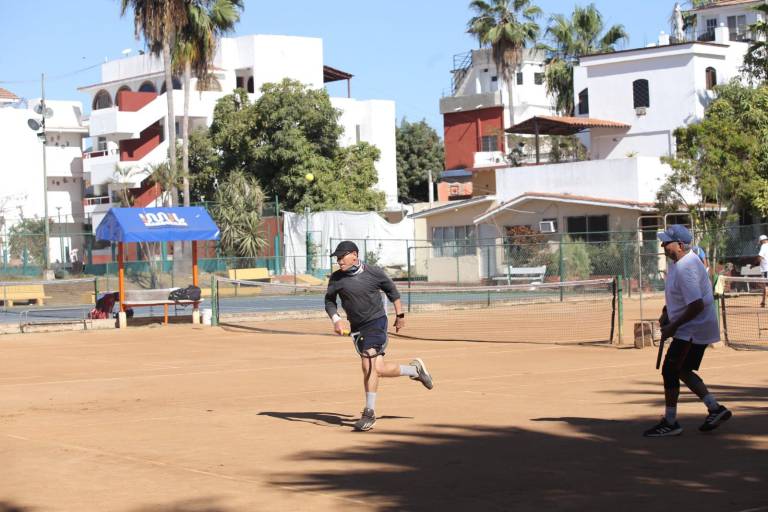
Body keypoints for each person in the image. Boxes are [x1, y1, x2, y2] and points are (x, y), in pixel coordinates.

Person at [324, 241, 433, 432]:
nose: (339, 261)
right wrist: (336, 320)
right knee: (378, 368)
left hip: (376, 323)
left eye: (342, 257)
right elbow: (329, 301)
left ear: (354, 255)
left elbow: (393, 292)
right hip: (357, 327)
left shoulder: (373, 272)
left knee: (369, 363)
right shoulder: (336, 278)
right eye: (337, 258)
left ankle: (369, 413)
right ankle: (415, 371)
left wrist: (400, 316)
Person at [644, 225, 731, 437]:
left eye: (667, 242)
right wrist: (667, 313)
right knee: (681, 370)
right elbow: (679, 297)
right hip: (688, 327)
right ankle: (715, 408)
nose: (663, 245)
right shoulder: (677, 263)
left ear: (680, 245)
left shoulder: (687, 267)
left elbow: (696, 305)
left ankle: (671, 422)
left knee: (670, 370)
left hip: (693, 329)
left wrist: (672, 326)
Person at [759, 234, 768, 308]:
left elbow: (760, 257)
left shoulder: (764, 246)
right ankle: (763, 302)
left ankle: (764, 302)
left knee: (766, 287)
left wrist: (754, 264)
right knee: (765, 287)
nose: (760, 243)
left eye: (760, 241)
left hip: (766, 269)